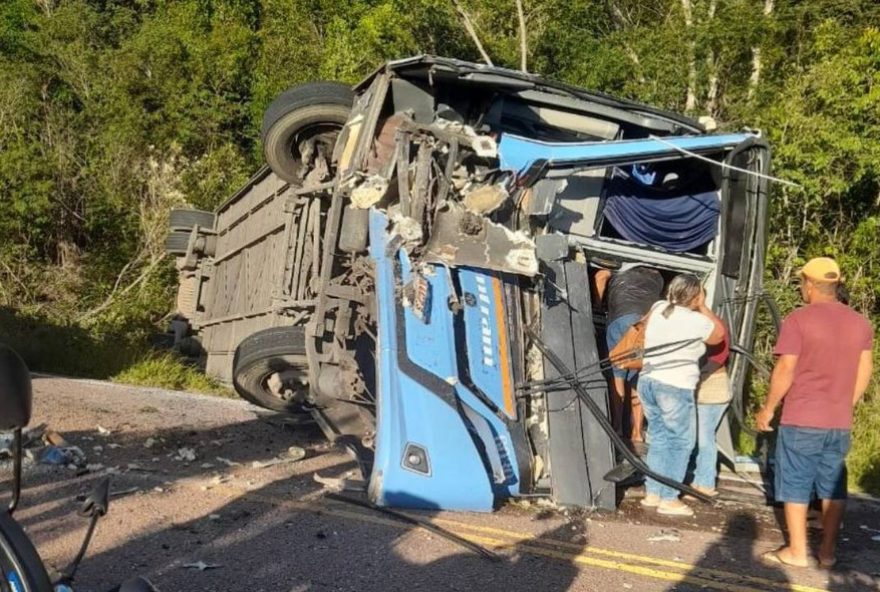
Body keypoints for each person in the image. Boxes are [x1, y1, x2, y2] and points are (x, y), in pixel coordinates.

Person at [756, 257, 873, 569]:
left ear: (809, 284)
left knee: (794, 482)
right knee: (832, 485)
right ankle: (827, 553)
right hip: (839, 421)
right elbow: (865, 369)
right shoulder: (860, 323)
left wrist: (767, 408)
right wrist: (846, 402)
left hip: (803, 416)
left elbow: (786, 368)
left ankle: (796, 551)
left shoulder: (799, 320)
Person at [638, 274, 724, 516]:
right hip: (675, 385)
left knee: (659, 438)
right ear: (695, 296)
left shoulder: (658, 307)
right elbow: (719, 335)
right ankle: (669, 497)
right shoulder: (697, 321)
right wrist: (703, 305)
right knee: (680, 442)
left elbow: (645, 324)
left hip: (649, 379)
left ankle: (653, 492)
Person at [595, 264, 664, 446]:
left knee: (617, 376)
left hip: (620, 319)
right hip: (644, 325)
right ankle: (637, 432)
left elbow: (600, 277)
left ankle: (616, 427)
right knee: (638, 378)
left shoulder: (619, 269)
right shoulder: (657, 277)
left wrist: (597, 303)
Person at [689, 320, 732, 498]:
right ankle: (700, 481)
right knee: (704, 437)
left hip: (712, 390)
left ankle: (705, 483)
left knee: (705, 438)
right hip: (715, 389)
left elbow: (717, 358)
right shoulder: (715, 325)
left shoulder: (713, 329)